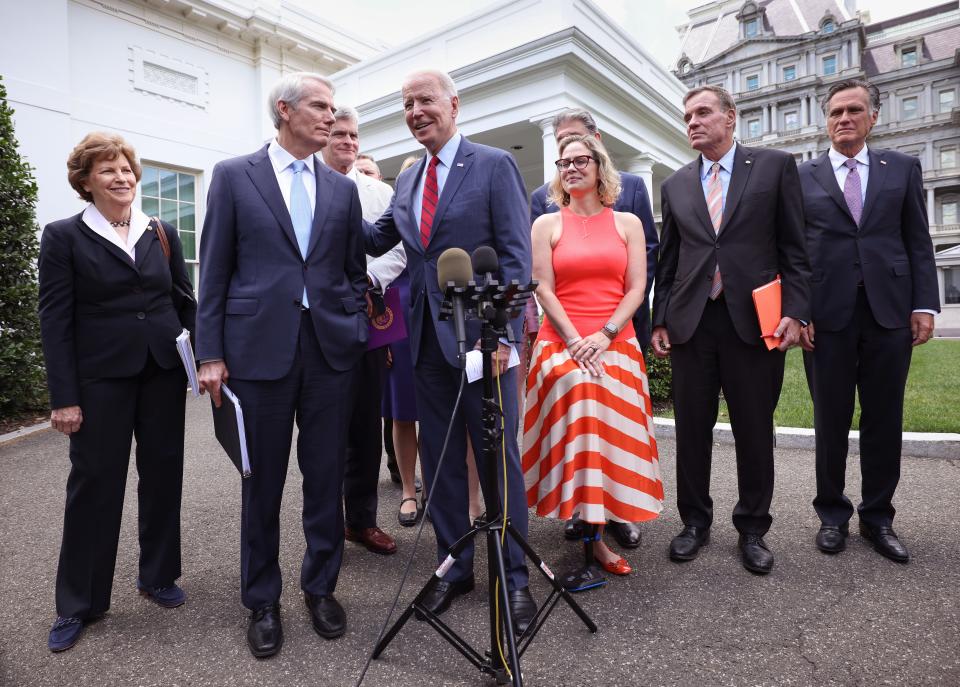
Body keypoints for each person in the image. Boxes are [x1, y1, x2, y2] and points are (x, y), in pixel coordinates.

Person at [196, 72, 368, 658]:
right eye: (320, 106)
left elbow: (348, 271)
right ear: (284, 109)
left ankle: (321, 587)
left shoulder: (342, 189)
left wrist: (355, 323)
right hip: (254, 353)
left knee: (325, 479)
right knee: (261, 481)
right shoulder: (233, 176)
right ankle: (262, 600)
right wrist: (210, 353)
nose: (331, 116)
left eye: (333, 107)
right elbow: (213, 270)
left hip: (329, 353)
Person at [363, 70, 536, 634]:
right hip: (428, 347)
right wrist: (326, 185)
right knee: (439, 460)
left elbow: (513, 256)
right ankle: (456, 564)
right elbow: (373, 238)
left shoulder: (492, 165)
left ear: (454, 104)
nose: (415, 110)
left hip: (484, 342)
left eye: (425, 100)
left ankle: (513, 576)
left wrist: (505, 337)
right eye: (406, 103)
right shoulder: (408, 182)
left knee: (496, 458)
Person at [39, 132, 196, 652]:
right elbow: (55, 321)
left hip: (161, 372)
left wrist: (210, 355)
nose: (122, 176)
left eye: (126, 167)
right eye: (108, 169)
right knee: (94, 485)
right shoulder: (63, 236)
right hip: (99, 379)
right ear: (86, 181)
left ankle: (157, 575)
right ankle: (79, 601)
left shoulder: (161, 231)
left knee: (162, 474)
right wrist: (63, 396)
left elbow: (182, 299)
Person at [651, 85, 811, 575]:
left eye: (702, 113)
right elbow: (670, 258)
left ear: (731, 117)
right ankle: (695, 522)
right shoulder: (676, 184)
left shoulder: (774, 167)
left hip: (754, 322)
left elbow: (796, 248)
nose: (692, 122)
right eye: (687, 116)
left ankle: (753, 528)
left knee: (754, 429)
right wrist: (660, 319)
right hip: (692, 323)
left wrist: (797, 311)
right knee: (691, 429)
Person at [798, 79, 939, 562]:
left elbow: (918, 241)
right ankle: (832, 516)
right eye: (835, 112)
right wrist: (797, 312)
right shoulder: (802, 175)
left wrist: (925, 304)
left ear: (872, 116)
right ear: (826, 119)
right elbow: (792, 252)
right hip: (826, 316)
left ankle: (878, 518)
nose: (844, 119)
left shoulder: (901, 168)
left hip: (889, 313)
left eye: (854, 110)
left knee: (884, 419)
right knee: (829, 421)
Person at [522, 134, 662, 577]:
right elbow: (542, 286)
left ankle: (602, 519)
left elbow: (637, 287)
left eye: (581, 160)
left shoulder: (627, 223)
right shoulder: (546, 224)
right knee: (580, 394)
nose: (571, 168)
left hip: (614, 338)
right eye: (564, 163)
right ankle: (590, 531)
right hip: (560, 340)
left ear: (600, 167)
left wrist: (603, 335)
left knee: (606, 405)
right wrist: (575, 339)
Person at [322, 105, 406, 555]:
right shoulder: (305, 188)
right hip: (316, 324)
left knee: (365, 426)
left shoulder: (379, 191)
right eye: (339, 133)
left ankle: (362, 520)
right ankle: (326, 524)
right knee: (322, 429)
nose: (349, 142)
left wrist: (372, 281)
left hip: (369, 317)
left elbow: (397, 251)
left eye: (354, 135)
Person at [382, 155, 426, 526]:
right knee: (402, 414)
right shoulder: (392, 222)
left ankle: (439, 488)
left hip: (437, 321)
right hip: (397, 321)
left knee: (441, 415)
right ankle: (409, 492)